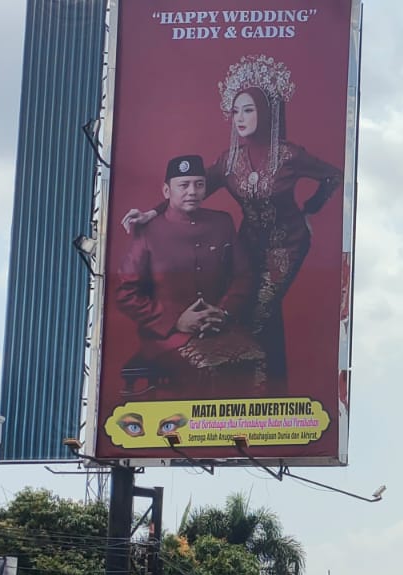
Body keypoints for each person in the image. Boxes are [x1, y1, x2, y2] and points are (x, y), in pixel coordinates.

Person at [121, 55, 342, 391]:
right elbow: (191, 191)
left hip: (286, 247)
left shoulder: (289, 155)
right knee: (242, 307)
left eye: (248, 110)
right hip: (247, 243)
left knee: (257, 315)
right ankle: (267, 388)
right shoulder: (230, 160)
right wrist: (152, 213)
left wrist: (310, 209)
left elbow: (332, 176)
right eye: (235, 111)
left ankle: (261, 395)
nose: (240, 118)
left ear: (265, 113)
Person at [112, 154, 258, 402]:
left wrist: (223, 312)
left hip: (218, 327)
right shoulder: (148, 231)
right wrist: (175, 321)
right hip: (167, 336)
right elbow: (125, 293)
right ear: (166, 191)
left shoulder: (222, 223)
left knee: (258, 360)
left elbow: (243, 275)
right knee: (205, 371)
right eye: (184, 185)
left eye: (199, 184)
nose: (192, 191)